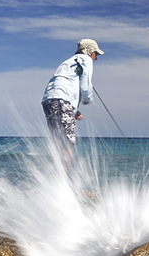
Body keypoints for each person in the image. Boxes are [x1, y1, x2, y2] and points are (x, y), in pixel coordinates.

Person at [42, 38, 104, 171]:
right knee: (66, 143)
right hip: (62, 101)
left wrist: (74, 111)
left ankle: (55, 178)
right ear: (89, 51)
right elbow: (86, 85)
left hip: (49, 100)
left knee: (59, 142)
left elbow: (63, 89)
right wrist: (88, 98)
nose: (96, 58)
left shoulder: (68, 63)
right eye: (96, 54)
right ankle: (62, 184)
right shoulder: (85, 59)